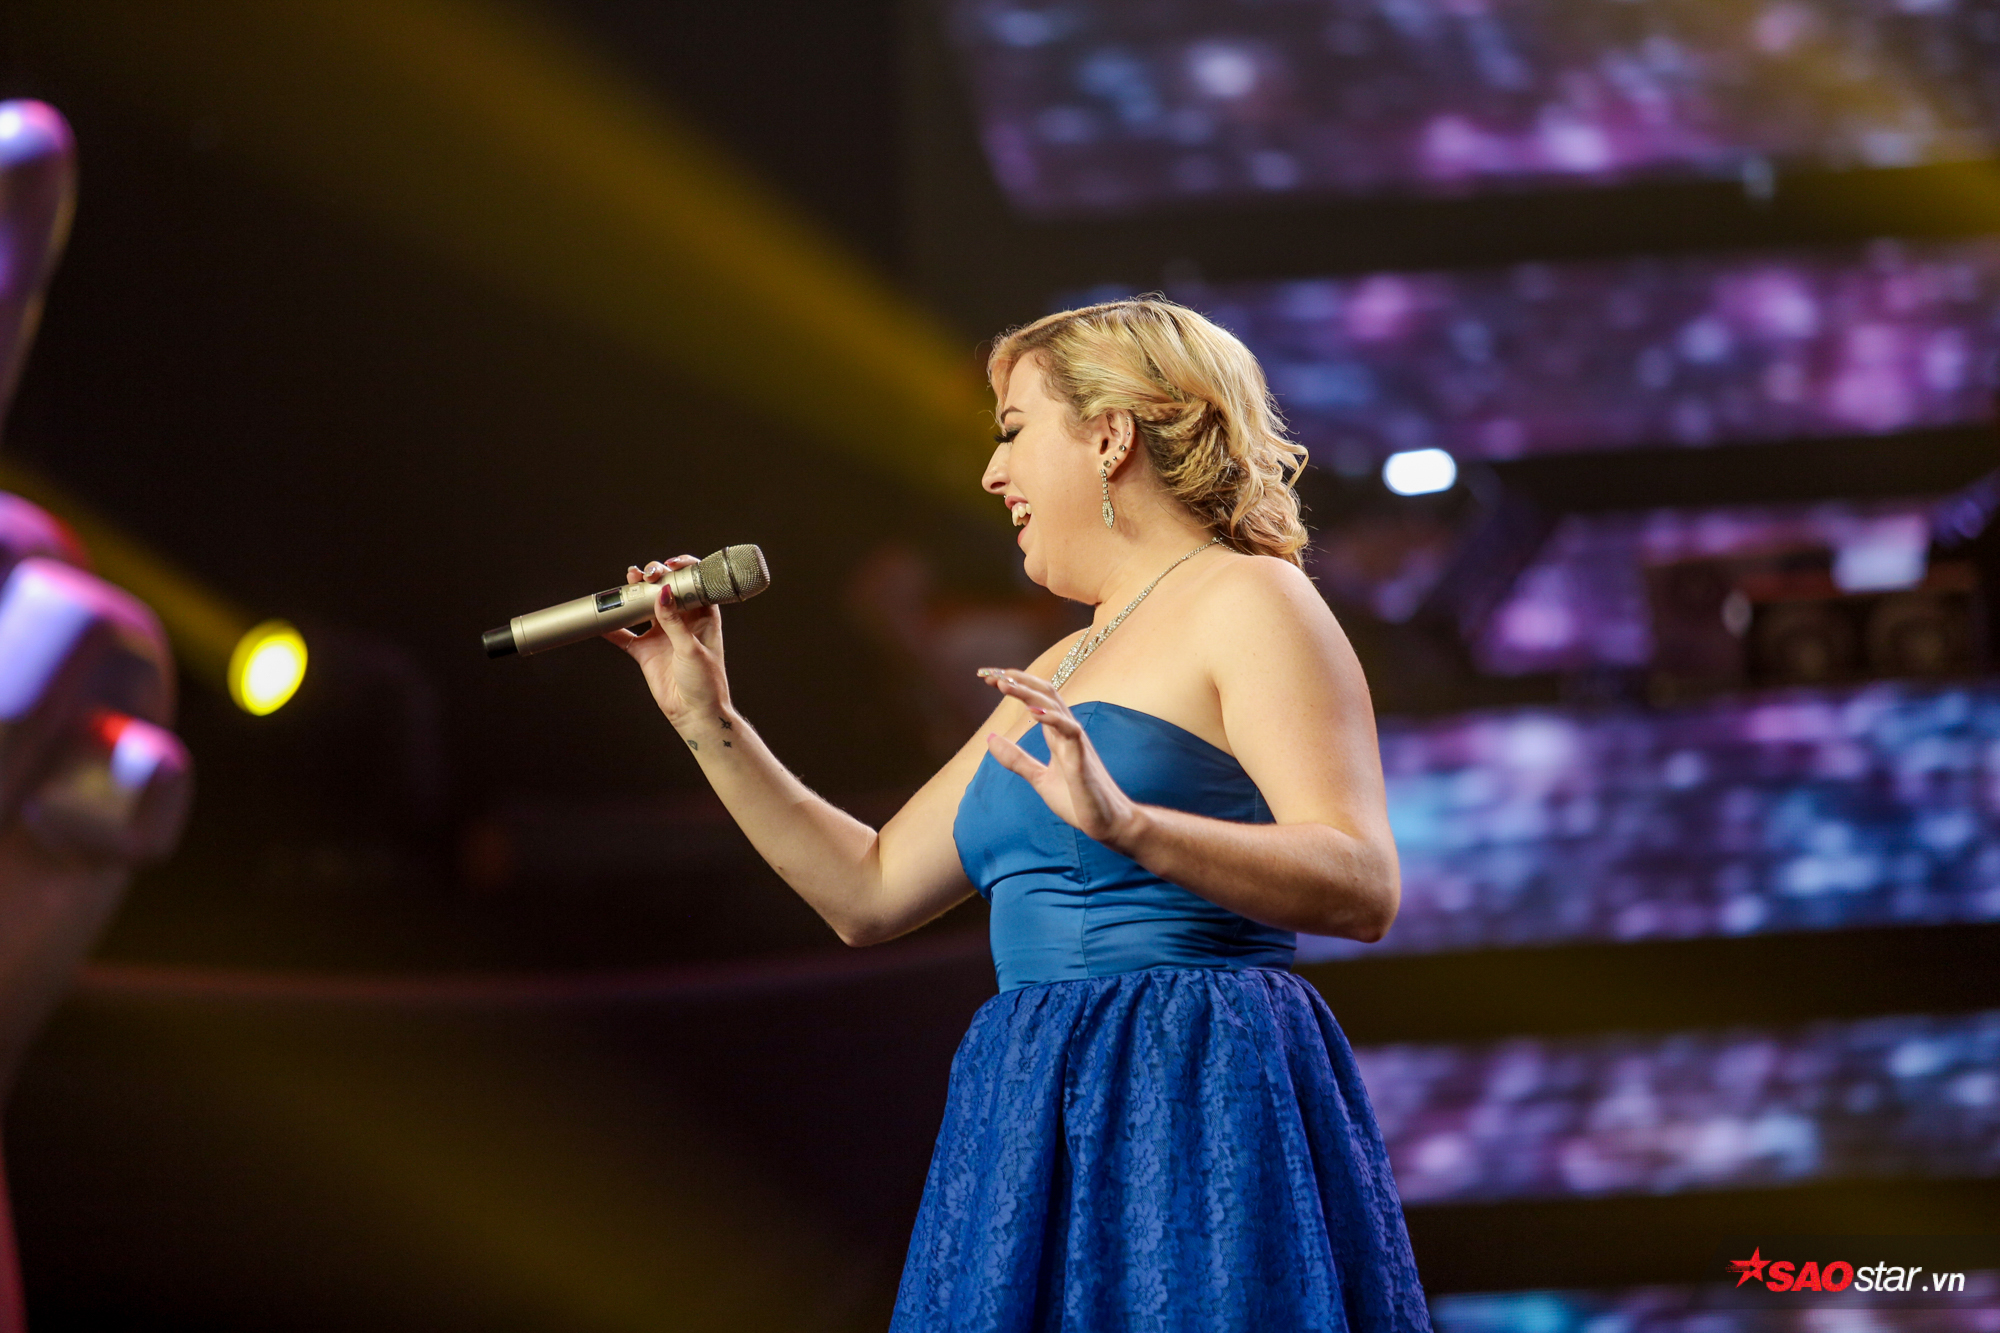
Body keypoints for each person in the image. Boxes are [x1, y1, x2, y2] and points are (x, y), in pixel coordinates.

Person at [610, 298, 1431, 1332]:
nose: (993, 476)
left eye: (1011, 432)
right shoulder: (1062, 660)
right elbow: (865, 890)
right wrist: (706, 717)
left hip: (1188, 1079)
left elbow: (1362, 882)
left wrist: (1135, 828)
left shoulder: (1251, 599)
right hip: (1029, 1096)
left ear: (1109, 435)